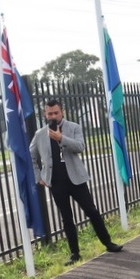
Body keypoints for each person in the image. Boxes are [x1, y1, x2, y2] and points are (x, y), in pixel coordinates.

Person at [30, 99, 123, 265]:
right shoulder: (39, 135)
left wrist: (61, 138)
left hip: (76, 179)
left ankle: (108, 243)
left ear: (62, 112)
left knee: (92, 211)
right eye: (49, 113)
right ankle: (75, 253)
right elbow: (32, 158)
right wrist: (39, 177)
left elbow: (80, 146)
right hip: (56, 182)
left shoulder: (73, 127)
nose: (53, 116)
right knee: (67, 218)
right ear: (45, 114)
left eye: (56, 113)